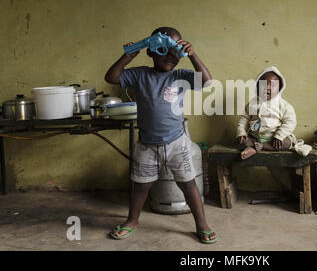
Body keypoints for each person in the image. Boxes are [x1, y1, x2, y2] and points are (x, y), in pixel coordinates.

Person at [104, 26, 217, 244]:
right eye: (163, 49)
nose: (170, 56)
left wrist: (193, 55)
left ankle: (202, 224)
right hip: (147, 144)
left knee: (188, 184)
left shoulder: (181, 76)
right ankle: (132, 220)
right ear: (151, 50)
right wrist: (129, 54)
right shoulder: (139, 74)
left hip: (177, 142)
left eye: (176, 50)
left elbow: (207, 82)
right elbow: (112, 77)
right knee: (141, 185)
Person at [236, 66, 297, 159]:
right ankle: (255, 146)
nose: (267, 87)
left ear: (279, 88)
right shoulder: (253, 103)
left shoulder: (283, 106)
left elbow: (290, 122)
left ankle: (260, 147)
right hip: (255, 137)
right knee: (241, 141)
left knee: (287, 142)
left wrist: (279, 136)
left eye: (272, 85)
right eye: (263, 84)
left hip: (273, 139)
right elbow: (244, 118)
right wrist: (241, 132)